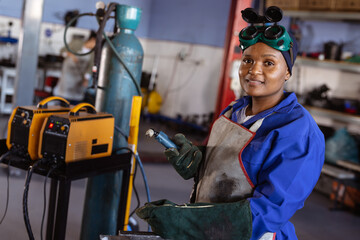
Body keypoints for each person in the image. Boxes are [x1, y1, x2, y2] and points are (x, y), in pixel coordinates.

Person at [136, 7, 325, 240]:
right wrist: (199, 162)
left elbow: (272, 210)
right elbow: (230, 168)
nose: (253, 70)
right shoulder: (234, 111)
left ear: (287, 72)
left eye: (269, 63)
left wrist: (190, 223)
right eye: (248, 60)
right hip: (210, 230)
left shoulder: (297, 130)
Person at [53, 30, 96, 105]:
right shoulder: (77, 43)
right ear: (92, 39)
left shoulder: (92, 53)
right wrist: (71, 54)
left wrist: (86, 79)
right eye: (96, 43)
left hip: (78, 82)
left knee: (74, 106)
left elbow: (90, 67)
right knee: (62, 104)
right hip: (67, 78)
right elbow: (62, 51)